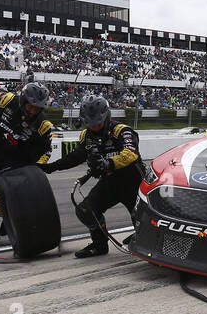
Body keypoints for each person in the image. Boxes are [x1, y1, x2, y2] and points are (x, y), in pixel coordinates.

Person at [42, 94, 142, 257]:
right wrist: (51, 167)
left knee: (140, 217)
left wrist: (108, 163)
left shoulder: (121, 131)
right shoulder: (86, 135)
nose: (95, 127)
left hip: (132, 182)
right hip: (109, 183)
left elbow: (131, 153)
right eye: (90, 124)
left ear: (106, 116)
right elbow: (75, 157)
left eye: (98, 123)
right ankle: (99, 245)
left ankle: (142, 237)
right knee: (85, 210)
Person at [0, 81, 55, 248]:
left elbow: (47, 151)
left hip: (17, 165)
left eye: (38, 108)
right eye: (30, 106)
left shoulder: (44, 126)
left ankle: (14, 220)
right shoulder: (7, 100)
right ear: (23, 100)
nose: (33, 111)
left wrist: (37, 168)